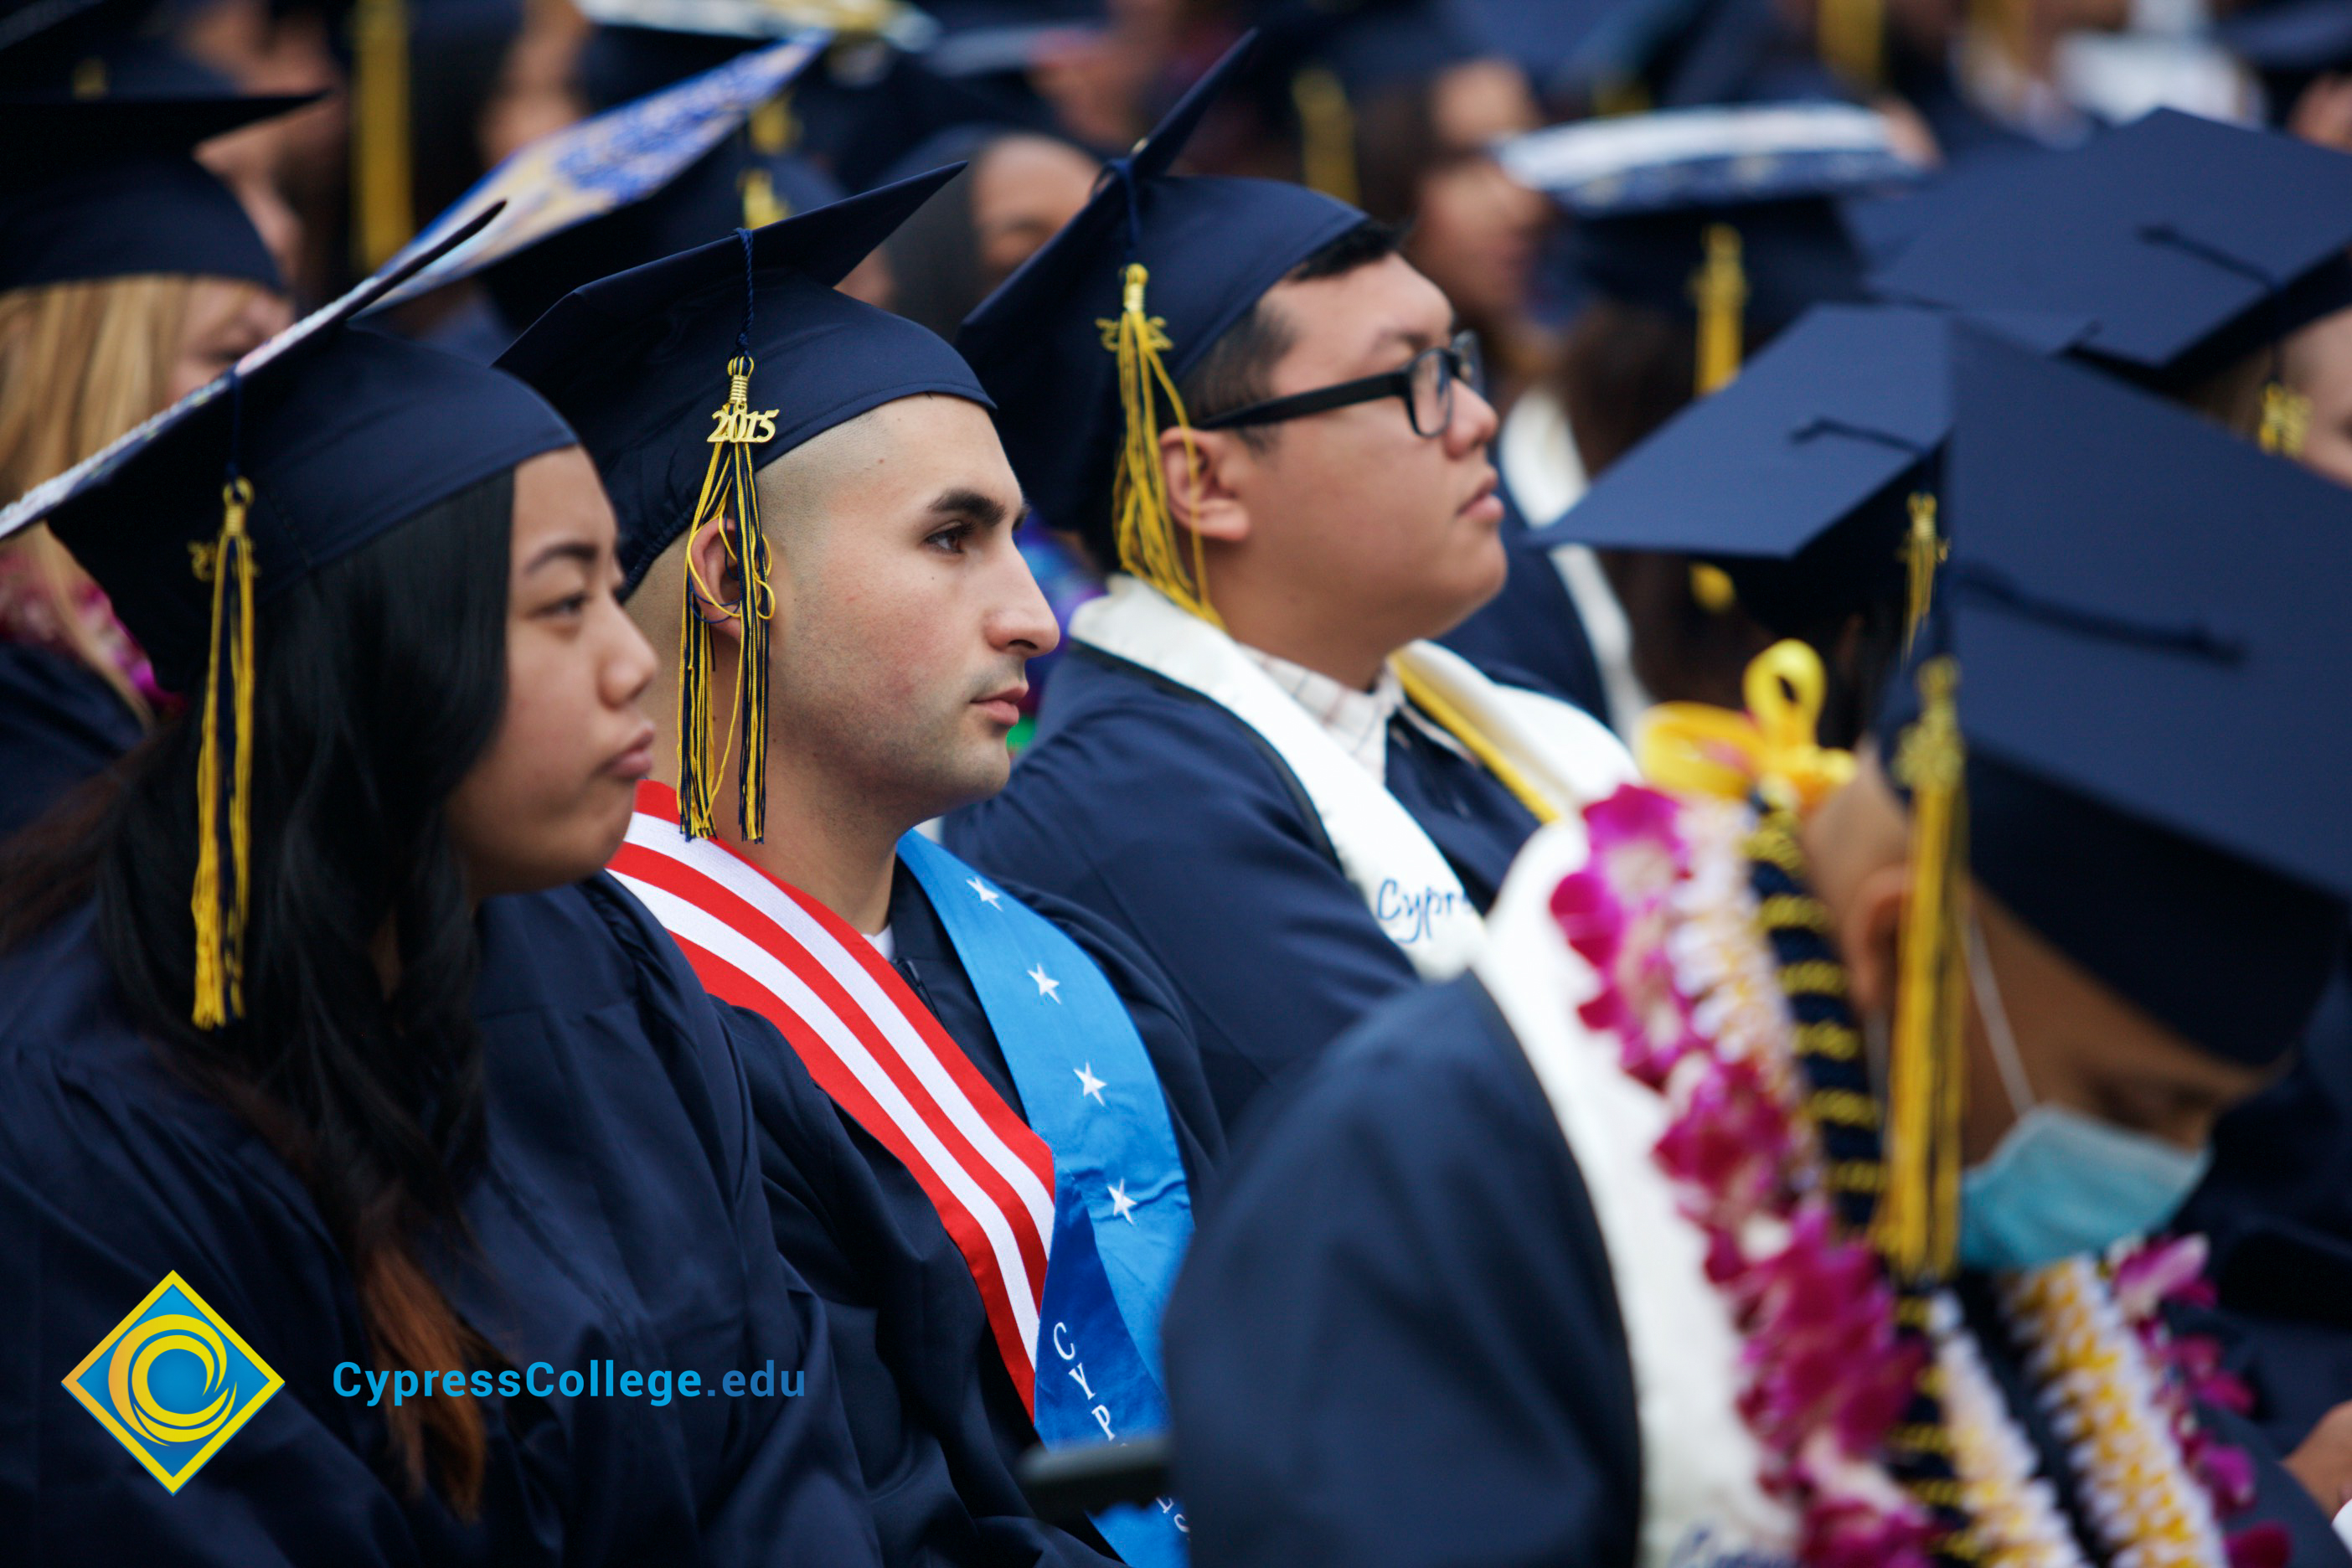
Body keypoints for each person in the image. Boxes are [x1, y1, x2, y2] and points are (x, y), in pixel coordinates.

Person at [1161, 324, 2352, 1567]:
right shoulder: (1418, 1196)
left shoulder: (1950, 1147)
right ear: (1897, 948)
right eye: (2134, 1102)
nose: (2164, 1166)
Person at [0, 235, 880, 1565]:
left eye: (611, 586)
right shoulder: (75, 1130)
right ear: (368, 658)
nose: (633, 662)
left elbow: (773, 1430)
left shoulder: (599, 953)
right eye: (560, 605)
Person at [499, 172, 1221, 1567]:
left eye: (1015, 541)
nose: (1032, 619)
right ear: (729, 574)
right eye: (952, 540)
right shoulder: (612, 1035)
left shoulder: (1063, 963)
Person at [946, 33, 1635, 1132]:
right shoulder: (1133, 809)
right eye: (1411, 379)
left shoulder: (1459, 725)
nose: (1478, 418)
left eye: (1456, 363)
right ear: (1204, 481)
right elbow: (1469, 1161)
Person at [0, 93, 297, 839]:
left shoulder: (236, 635)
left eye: (288, 353)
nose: (287, 393)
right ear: (70, 376)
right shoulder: (27, 709)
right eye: (231, 354)